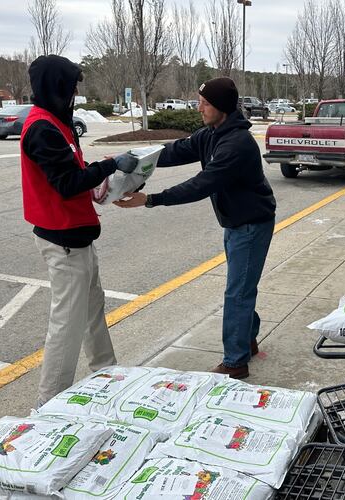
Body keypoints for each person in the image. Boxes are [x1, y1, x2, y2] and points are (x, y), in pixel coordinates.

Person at [114, 77, 276, 379]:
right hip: (237, 222)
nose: (199, 107)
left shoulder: (237, 145)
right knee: (241, 287)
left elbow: (200, 185)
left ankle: (235, 361)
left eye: (205, 103)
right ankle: (247, 339)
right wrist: (131, 160)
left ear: (222, 108)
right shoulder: (212, 133)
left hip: (251, 225)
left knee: (237, 292)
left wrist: (150, 200)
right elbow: (174, 151)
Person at [20, 54, 139, 406]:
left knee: (92, 313)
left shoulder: (59, 122)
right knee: (67, 325)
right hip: (62, 241)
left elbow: (75, 169)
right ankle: (48, 404)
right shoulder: (42, 128)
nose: (74, 93)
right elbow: (67, 182)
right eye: (71, 86)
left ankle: (106, 371)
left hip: (79, 236)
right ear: (56, 87)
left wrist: (104, 181)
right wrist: (109, 164)